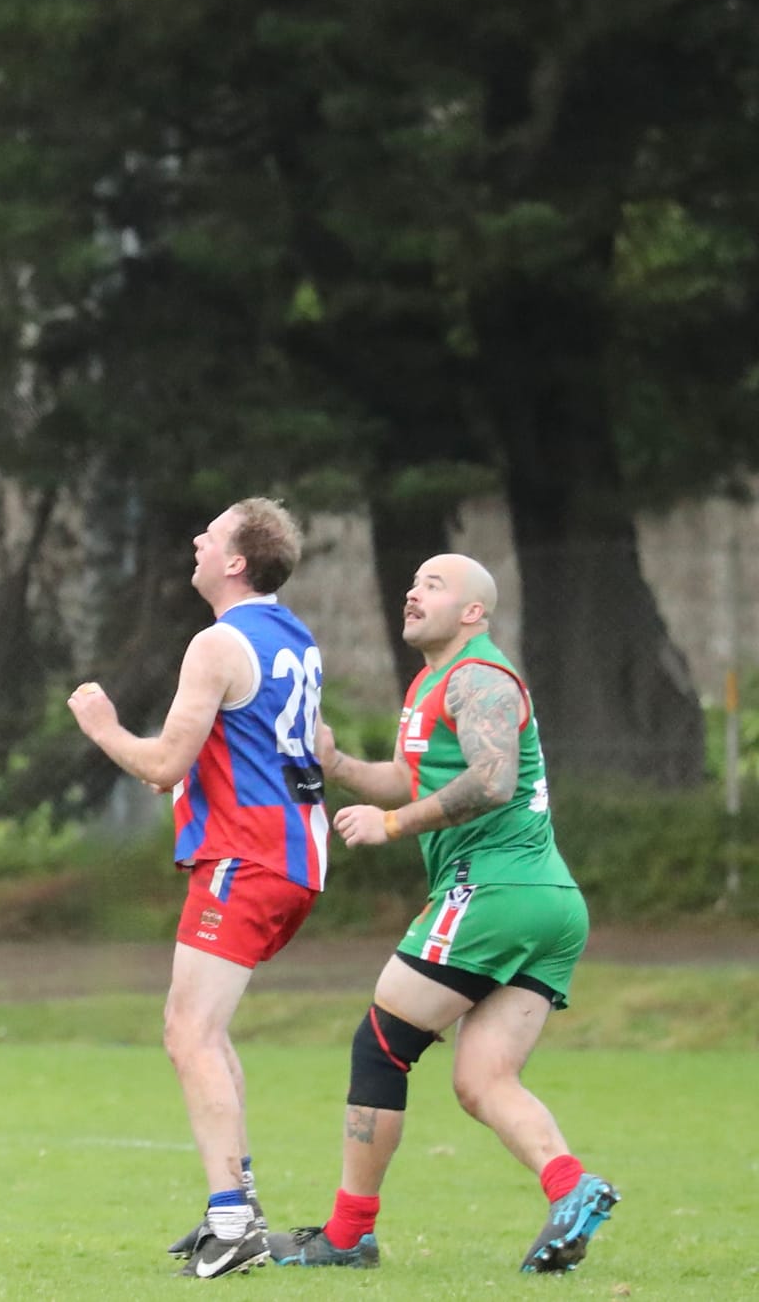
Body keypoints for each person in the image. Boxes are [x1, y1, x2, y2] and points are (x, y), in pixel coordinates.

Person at [267, 553, 617, 1273]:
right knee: (483, 1080)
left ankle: (348, 1235)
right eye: (413, 582)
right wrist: (339, 766)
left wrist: (393, 827)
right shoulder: (432, 682)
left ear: (473, 612)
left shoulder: (478, 677)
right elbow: (409, 777)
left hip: (494, 891)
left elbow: (492, 780)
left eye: (434, 584)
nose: (412, 592)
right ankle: (571, 1186)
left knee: (381, 1044)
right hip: (546, 902)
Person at [68, 498, 329, 1279]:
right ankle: (239, 1207)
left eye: (210, 536)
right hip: (294, 854)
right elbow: (266, 745)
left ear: (237, 562)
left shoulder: (217, 642)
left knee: (189, 1031)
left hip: (246, 856)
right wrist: (190, 778)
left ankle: (233, 1220)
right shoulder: (295, 637)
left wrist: (102, 725)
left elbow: (163, 760)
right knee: (204, 1030)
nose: (197, 541)